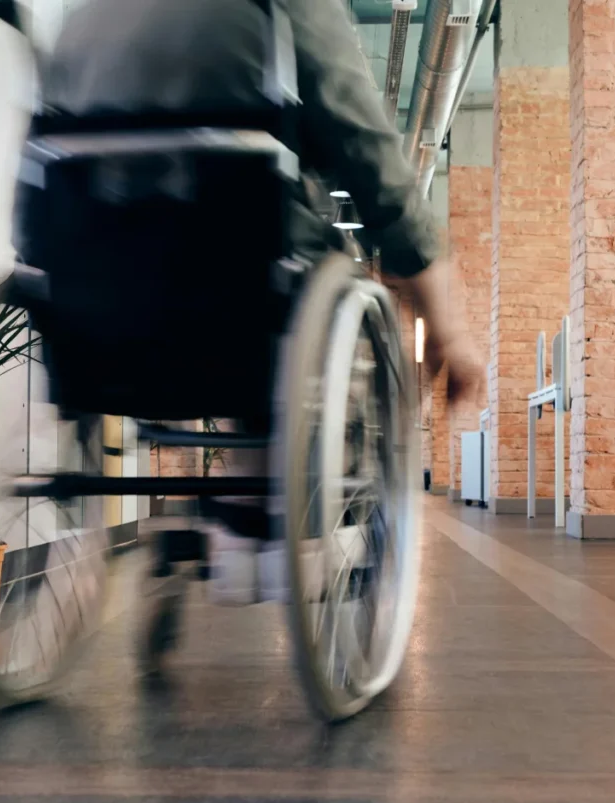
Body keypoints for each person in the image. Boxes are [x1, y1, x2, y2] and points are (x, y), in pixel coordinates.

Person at [33, 0, 483, 609]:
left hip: (100, 310)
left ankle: (243, 515)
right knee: (305, 278)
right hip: (240, 297)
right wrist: (447, 327)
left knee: (246, 279)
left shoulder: (82, 15)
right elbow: (371, 160)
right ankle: (270, 524)